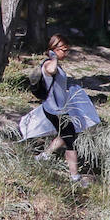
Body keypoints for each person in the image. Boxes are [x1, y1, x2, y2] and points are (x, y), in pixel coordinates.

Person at [35, 33, 87, 187]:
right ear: (54, 49)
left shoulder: (54, 63)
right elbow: (50, 70)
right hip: (55, 110)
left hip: (59, 109)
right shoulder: (49, 64)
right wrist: (53, 57)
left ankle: (44, 156)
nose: (66, 53)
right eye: (64, 50)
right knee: (71, 141)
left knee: (66, 135)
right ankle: (75, 177)